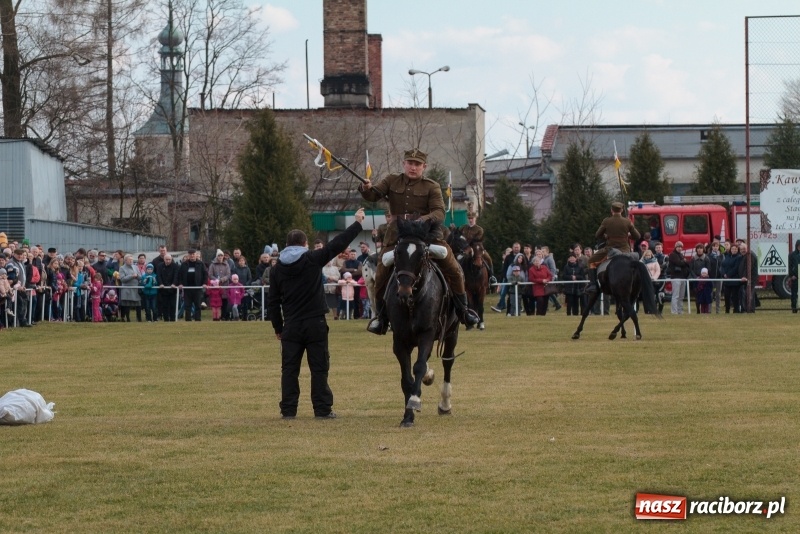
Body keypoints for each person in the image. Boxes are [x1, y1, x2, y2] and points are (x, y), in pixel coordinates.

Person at [358, 148, 480, 334]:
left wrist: (420, 220)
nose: (412, 167)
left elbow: (439, 212)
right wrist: (365, 188)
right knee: (381, 272)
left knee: (453, 267)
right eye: (410, 163)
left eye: (417, 164)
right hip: (397, 236)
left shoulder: (432, 186)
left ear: (424, 167)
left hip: (427, 235)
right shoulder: (392, 180)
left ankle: (463, 311)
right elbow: (373, 195)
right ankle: (381, 317)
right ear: (404, 164)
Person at [268, 207, 366, 420]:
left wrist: (278, 327)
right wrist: (357, 223)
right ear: (305, 244)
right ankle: (322, 409)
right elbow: (337, 244)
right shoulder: (312, 259)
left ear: (286, 245)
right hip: (315, 322)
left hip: (291, 324)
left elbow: (273, 302)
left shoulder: (277, 269)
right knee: (319, 367)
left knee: (289, 369)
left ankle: (288, 409)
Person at [585, 201, 641, 295]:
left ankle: (593, 284)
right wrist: (628, 235)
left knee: (591, 261)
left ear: (612, 210)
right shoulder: (627, 221)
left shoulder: (607, 221)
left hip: (610, 250)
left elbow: (598, 235)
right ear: (622, 210)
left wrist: (606, 237)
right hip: (625, 250)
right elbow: (637, 236)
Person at [458, 210, 495, 276]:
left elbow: (477, 240)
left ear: (475, 218)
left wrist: (465, 240)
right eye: (469, 218)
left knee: (488, 258)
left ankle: (491, 276)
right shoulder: (463, 228)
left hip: (477, 249)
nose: (470, 220)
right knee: (458, 258)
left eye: (472, 218)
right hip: (464, 248)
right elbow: (458, 236)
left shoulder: (479, 229)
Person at [177, 249, 208, 321]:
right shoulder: (184, 264)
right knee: (187, 305)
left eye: (193, 254)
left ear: (196, 255)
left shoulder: (201, 264)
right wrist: (180, 283)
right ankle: (188, 319)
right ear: (188, 255)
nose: (192, 256)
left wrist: (204, 283)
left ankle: (197, 319)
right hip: (187, 288)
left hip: (197, 288)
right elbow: (180, 275)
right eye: (190, 254)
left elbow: (205, 274)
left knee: (197, 305)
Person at [668, 241, 690, 315]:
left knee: (681, 296)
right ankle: (674, 311)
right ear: (675, 247)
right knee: (676, 296)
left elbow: (685, 263)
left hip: (682, 277)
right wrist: (684, 261)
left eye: (681, 247)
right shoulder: (672, 255)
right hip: (675, 277)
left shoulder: (681, 255)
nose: (680, 248)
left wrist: (683, 262)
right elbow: (679, 263)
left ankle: (680, 310)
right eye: (678, 247)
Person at [118, 254, 142, 322]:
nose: (131, 261)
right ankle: (127, 319)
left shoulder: (136, 267)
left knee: (138, 305)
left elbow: (140, 277)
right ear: (125, 260)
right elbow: (122, 279)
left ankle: (139, 319)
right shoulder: (122, 268)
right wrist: (131, 276)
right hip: (127, 290)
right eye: (129, 259)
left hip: (135, 289)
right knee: (127, 306)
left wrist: (137, 276)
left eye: (132, 259)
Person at [738, 241, 759, 313]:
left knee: (749, 293)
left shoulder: (750, 255)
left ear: (747, 248)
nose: (742, 251)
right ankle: (748, 308)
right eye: (741, 249)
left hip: (750, 278)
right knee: (747, 293)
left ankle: (750, 309)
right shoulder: (745, 255)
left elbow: (748, 268)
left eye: (744, 249)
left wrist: (745, 277)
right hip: (746, 278)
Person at [721, 243, 742, 313]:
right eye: (733, 249)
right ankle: (727, 310)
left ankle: (736, 310)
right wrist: (723, 274)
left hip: (734, 281)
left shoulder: (739, 257)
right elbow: (723, 266)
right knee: (727, 296)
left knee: (735, 296)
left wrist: (728, 275)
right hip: (727, 281)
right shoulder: (727, 256)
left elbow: (736, 268)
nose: (734, 250)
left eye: (736, 249)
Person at [789, 239, 800, 313]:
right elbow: (789, 266)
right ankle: (794, 308)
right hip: (795, 278)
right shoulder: (792, 255)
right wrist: (791, 275)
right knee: (794, 293)